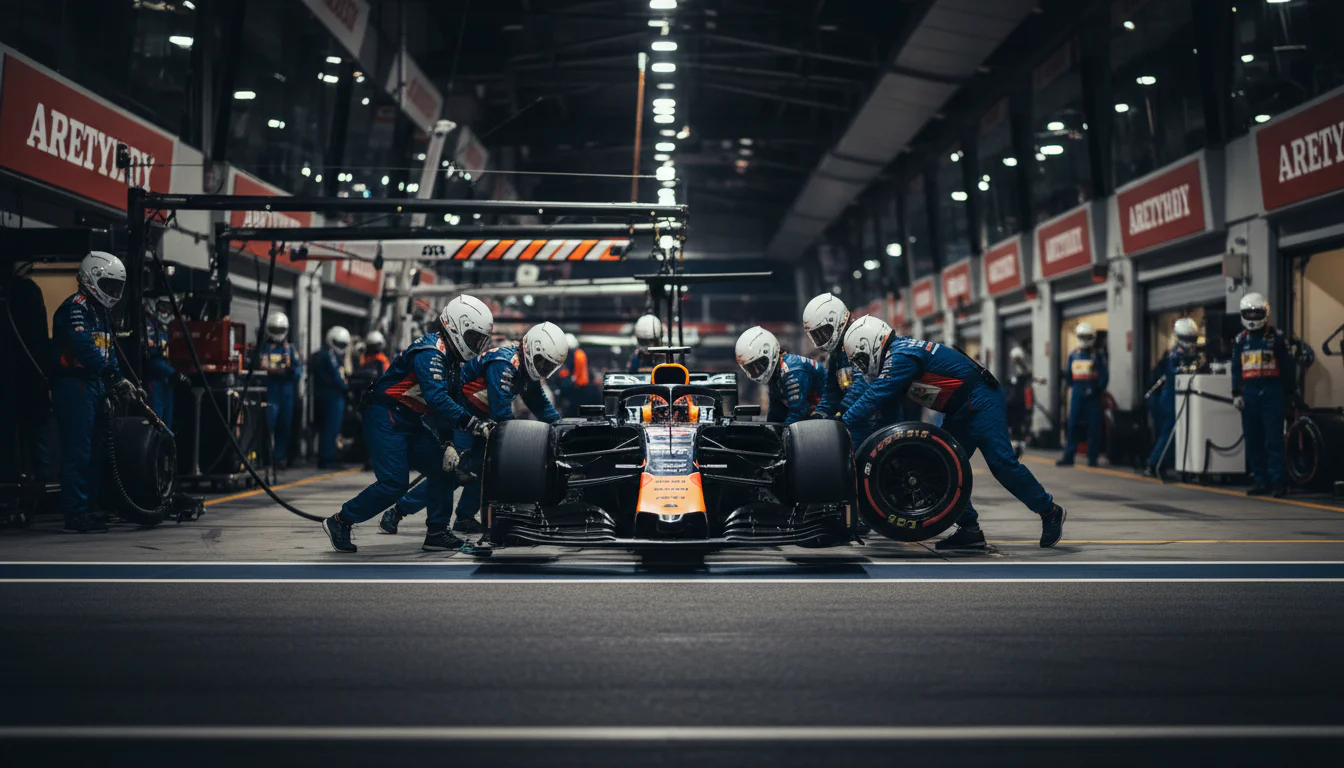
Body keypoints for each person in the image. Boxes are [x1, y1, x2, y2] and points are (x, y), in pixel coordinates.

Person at [840, 316, 1066, 550]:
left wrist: (842, 423)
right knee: (937, 468)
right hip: (960, 408)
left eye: (861, 358)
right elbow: (879, 403)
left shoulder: (901, 357)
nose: (862, 365)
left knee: (1002, 463)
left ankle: (1049, 511)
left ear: (872, 344)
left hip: (981, 400)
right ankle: (970, 529)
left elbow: (876, 394)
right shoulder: (898, 354)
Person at [322, 295, 496, 553]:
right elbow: (438, 400)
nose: (475, 345)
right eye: (473, 337)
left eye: (480, 340)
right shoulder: (431, 352)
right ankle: (341, 520)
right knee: (394, 483)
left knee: (443, 468)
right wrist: (473, 424)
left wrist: (448, 443)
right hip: (385, 415)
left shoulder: (451, 360)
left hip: (409, 418)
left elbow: (451, 401)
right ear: (456, 327)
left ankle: (437, 533)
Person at [379, 322, 569, 537]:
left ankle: (465, 518)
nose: (543, 368)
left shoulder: (525, 368)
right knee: (454, 472)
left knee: (484, 470)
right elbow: (502, 413)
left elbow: (540, 404)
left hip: (482, 422)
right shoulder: (504, 364)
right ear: (531, 349)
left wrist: (561, 426)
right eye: (542, 362)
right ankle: (397, 511)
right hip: (461, 418)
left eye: (549, 365)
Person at [51, 251, 138, 533]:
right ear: (92, 279)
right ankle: (75, 513)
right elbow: (84, 348)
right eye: (108, 285)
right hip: (74, 383)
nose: (112, 292)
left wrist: (119, 380)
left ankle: (90, 507)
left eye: (116, 287)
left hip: (95, 382)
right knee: (79, 449)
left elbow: (107, 350)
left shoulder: (101, 313)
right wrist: (112, 376)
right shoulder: (75, 308)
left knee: (98, 447)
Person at [801, 293, 896, 444]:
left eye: (824, 332)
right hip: (855, 419)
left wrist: (841, 412)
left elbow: (864, 380)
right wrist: (819, 414)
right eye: (817, 335)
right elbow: (831, 391)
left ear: (837, 320)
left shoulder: (860, 337)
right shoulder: (837, 353)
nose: (822, 339)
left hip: (879, 419)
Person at [1232, 292, 1295, 497]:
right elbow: (1236, 369)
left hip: (1272, 393)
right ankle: (1260, 480)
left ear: (1264, 314)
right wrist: (1236, 394)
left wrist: (1289, 393)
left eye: (1256, 313)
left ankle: (1278, 482)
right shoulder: (1240, 340)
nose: (1252, 318)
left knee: (1273, 440)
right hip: (1249, 395)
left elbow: (1287, 366)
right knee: (1253, 439)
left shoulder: (1276, 338)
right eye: (1248, 314)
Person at [1144, 318, 1202, 478]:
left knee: (1188, 431)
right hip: (1171, 398)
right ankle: (1154, 463)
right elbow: (1176, 371)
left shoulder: (1197, 354)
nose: (1189, 343)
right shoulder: (1173, 355)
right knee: (1170, 432)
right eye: (1186, 339)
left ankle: (1183, 466)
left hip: (1188, 396)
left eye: (1192, 339)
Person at [735, 326, 824, 424]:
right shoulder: (777, 372)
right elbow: (776, 411)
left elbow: (798, 412)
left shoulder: (791, 370)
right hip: (813, 416)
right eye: (751, 368)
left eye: (760, 364)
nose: (757, 370)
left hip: (826, 415)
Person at [1057, 322, 1108, 467]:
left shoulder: (1098, 356)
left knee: (1094, 427)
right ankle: (1069, 456)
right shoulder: (1073, 355)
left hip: (1093, 396)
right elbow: (1068, 375)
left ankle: (1092, 458)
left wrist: (1097, 389)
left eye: (1087, 336)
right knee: (1073, 426)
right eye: (1082, 336)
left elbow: (1104, 377)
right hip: (1077, 395)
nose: (1085, 339)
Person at [259, 313, 302, 469]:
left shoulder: (290, 349)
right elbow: (258, 366)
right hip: (270, 390)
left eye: (280, 329)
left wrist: (290, 372)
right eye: (274, 329)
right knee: (268, 424)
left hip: (286, 391)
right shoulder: (263, 348)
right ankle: (266, 457)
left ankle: (279, 457)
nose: (277, 332)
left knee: (284, 425)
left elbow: (298, 370)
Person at [142, 297, 186, 429]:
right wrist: (172, 373)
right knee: (156, 425)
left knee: (167, 426)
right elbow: (150, 359)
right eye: (164, 306)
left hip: (166, 381)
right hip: (154, 380)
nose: (167, 311)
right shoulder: (146, 324)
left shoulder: (162, 327)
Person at [311, 326, 350, 468]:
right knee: (331, 428)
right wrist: (347, 386)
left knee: (327, 428)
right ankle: (327, 458)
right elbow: (336, 377)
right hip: (332, 396)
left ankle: (327, 456)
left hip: (325, 395)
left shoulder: (322, 354)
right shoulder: (329, 355)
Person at [1005, 347, 1033, 444]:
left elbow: (1027, 380)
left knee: (1020, 419)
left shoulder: (1024, 369)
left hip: (1020, 399)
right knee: (1013, 419)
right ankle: (1014, 435)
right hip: (1012, 399)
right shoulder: (1012, 369)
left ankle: (1020, 436)